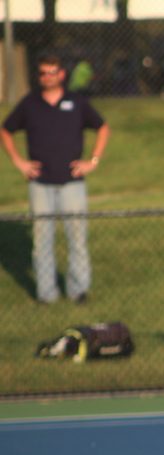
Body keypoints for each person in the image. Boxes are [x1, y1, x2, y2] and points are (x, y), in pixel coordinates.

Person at [1, 54, 110, 304]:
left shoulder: (77, 102)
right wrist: (19, 162)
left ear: (61, 74)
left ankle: (78, 289)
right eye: (42, 73)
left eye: (51, 72)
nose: (47, 77)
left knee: (77, 238)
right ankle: (46, 294)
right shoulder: (30, 104)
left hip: (72, 181)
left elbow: (102, 128)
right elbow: (6, 130)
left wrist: (92, 161)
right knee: (42, 241)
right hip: (40, 183)